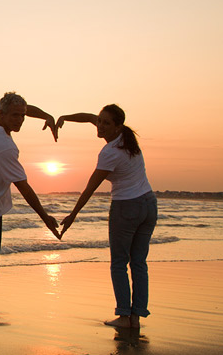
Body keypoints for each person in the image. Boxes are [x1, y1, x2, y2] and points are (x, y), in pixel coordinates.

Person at [0, 92, 61, 323]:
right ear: (2, 114)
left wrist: (45, 115)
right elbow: (23, 186)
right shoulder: (3, 147)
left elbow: (24, 108)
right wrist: (45, 216)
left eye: (23, 116)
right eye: (15, 115)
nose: (20, 120)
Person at [57, 104, 156, 328]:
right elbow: (89, 117)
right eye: (100, 121)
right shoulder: (126, 138)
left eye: (105, 123)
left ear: (117, 126)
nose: (99, 125)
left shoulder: (110, 152)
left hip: (127, 207)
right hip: (149, 204)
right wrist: (65, 117)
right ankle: (136, 317)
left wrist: (73, 214)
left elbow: (91, 187)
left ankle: (124, 316)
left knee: (120, 263)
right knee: (139, 262)